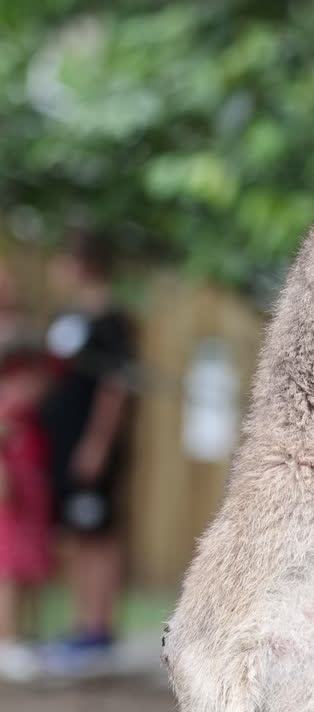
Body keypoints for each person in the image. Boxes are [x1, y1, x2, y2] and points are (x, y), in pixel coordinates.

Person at [37, 234, 136, 673]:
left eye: (61, 261)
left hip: (91, 450)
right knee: (75, 535)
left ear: (83, 265)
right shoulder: (66, 319)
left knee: (97, 533)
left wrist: (97, 443)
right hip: (61, 445)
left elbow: (116, 386)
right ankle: (81, 626)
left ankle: (99, 628)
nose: (55, 271)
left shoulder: (111, 321)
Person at [0, 348, 54, 682]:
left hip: (33, 502)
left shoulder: (30, 416)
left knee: (31, 571)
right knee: (11, 573)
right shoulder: (7, 411)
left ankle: (27, 637)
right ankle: (7, 641)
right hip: (13, 506)